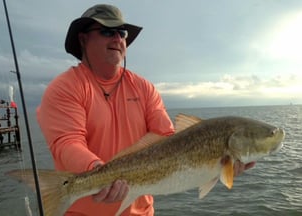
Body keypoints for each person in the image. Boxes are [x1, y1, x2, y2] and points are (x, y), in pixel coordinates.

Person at [37, 4, 255, 216]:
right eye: (106, 31)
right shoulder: (66, 87)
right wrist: (98, 173)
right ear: (83, 39)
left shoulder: (144, 88)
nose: (117, 38)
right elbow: (67, 143)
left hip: (141, 212)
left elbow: (168, 140)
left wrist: (218, 165)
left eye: (121, 33)